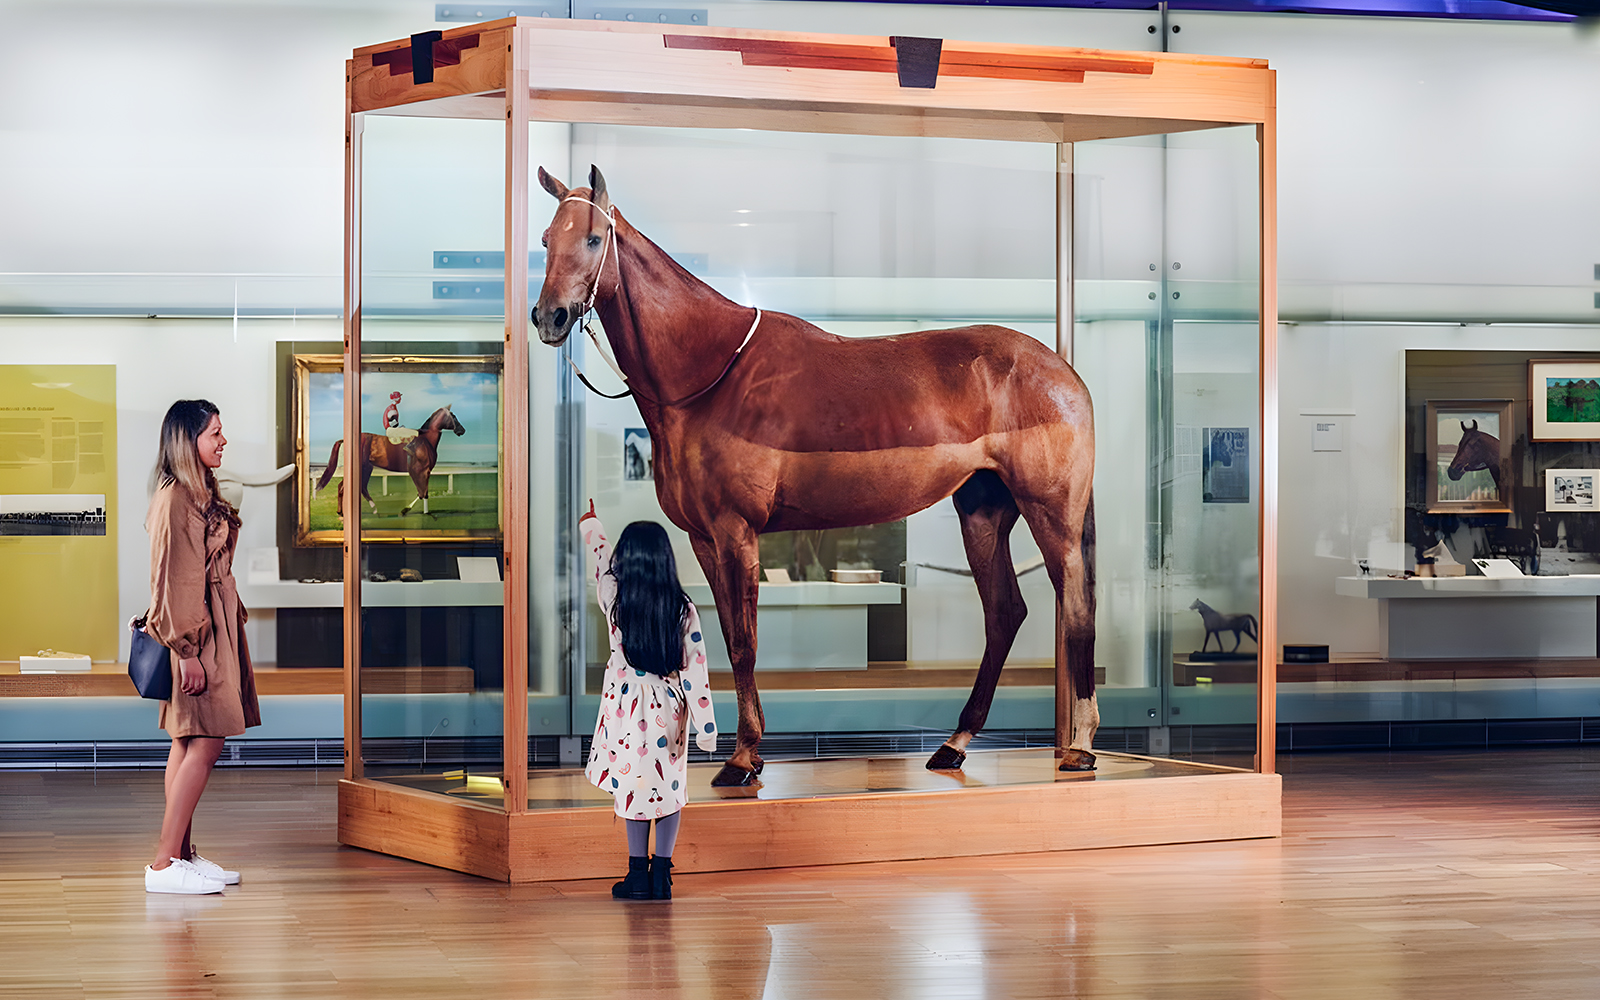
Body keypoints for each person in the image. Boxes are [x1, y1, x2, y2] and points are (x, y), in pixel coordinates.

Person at [141, 399, 261, 894]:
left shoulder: (196, 491)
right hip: (198, 633)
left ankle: (181, 855)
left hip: (212, 627)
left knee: (188, 740)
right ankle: (163, 865)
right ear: (188, 440)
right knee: (206, 740)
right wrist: (187, 651)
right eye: (214, 432)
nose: (223, 440)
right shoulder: (176, 498)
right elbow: (174, 582)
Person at [580, 501, 717, 900]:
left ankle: (637, 875)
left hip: (626, 709)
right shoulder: (682, 608)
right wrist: (706, 729)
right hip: (669, 709)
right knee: (669, 789)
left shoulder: (615, 598)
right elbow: (696, 670)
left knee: (633, 788)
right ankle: (662, 876)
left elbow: (601, 561)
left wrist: (592, 524)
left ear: (627, 560)